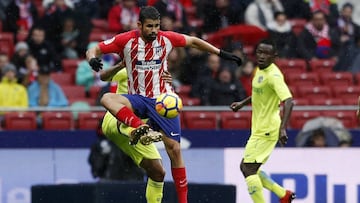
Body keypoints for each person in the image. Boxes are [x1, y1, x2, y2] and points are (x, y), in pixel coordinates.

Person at [86, 6, 242, 203]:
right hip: (137, 99)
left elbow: (193, 41)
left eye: (157, 26)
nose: (153, 30)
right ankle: (139, 127)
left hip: (162, 100)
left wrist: (221, 53)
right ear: (139, 25)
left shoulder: (166, 39)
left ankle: (183, 201)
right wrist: (92, 59)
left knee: (174, 151)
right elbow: (95, 49)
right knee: (107, 98)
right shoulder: (125, 41)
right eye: (149, 26)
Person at [230, 39, 295, 203]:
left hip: (268, 128)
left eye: (266, 53)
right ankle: (283, 194)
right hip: (259, 127)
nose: (262, 56)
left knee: (247, 168)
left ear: (274, 56)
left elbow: (289, 101)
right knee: (250, 167)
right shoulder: (259, 70)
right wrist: (242, 104)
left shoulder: (274, 76)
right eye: (259, 52)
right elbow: (260, 93)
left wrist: (283, 128)